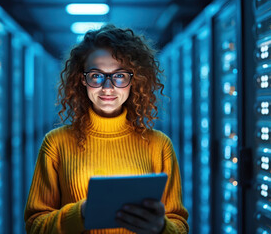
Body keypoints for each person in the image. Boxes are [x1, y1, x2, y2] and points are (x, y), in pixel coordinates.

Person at [24, 24, 189, 234]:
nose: (108, 87)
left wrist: (161, 227)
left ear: (133, 80)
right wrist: (82, 213)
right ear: (82, 80)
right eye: (96, 75)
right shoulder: (56, 143)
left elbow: (180, 226)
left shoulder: (159, 145)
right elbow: (34, 226)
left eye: (119, 76)